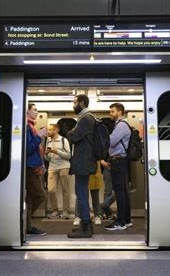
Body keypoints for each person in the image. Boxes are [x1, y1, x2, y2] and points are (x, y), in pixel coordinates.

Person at [67, 94, 96, 238]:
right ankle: (86, 224)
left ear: (82, 103)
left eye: (74, 102)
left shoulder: (86, 119)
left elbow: (73, 136)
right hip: (84, 161)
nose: (73, 105)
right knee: (81, 192)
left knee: (81, 193)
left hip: (83, 162)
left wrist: (71, 132)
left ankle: (85, 226)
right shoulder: (85, 119)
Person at [102, 102, 132, 231]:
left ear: (119, 112)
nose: (110, 114)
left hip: (118, 161)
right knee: (123, 191)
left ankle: (120, 222)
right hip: (120, 161)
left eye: (112, 111)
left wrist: (104, 139)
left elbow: (111, 141)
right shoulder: (120, 125)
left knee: (120, 192)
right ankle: (126, 219)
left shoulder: (121, 126)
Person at [25, 103, 48, 236]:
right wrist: (39, 136)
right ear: (27, 111)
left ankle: (27, 225)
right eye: (34, 110)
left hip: (34, 166)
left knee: (29, 198)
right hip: (29, 168)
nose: (36, 112)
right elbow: (27, 149)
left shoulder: (31, 127)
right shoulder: (27, 127)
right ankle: (24, 220)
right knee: (40, 195)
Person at [44, 124, 71, 219]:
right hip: (52, 167)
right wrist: (46, 154)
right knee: (51, 190)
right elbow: (47, 158)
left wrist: (57, 152)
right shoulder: (48, 141)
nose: (47, 132)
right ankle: (55, 210)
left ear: (56, 131)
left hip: (64, 167)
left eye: (50, 130)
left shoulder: (64, 140)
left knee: (65, 190)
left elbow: (68, 156)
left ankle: (65, 211)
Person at [74, 161, 104, 226]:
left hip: (94, 167)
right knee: (81, 194)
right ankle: (78, 216)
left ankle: (97, 215)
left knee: (95, 194)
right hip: (82, 167)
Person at [100, 118, 116, 220]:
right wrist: (101, 160)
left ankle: (104, 208)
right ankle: (106, 211)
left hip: (107, 163)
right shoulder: (109, 135)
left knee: (108, 190)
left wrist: (101, 160)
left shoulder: (104, 136)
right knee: (116, 190)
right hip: (110, 163)